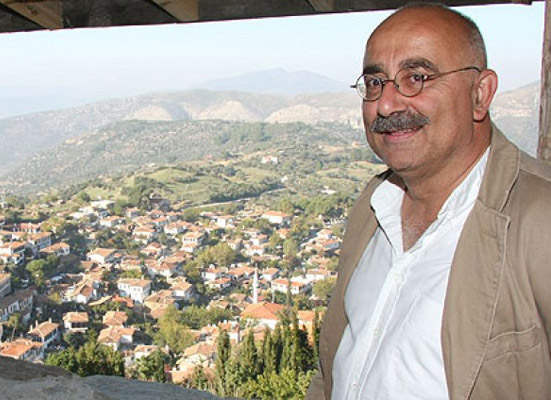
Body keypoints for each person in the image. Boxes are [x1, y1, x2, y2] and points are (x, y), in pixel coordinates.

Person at [307, 3, 551, 400]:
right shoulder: (372, 207)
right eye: (375, 82)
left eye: (417, 77)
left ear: (480, 94)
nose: (386, 104)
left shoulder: (539, 219)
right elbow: (332, 369)